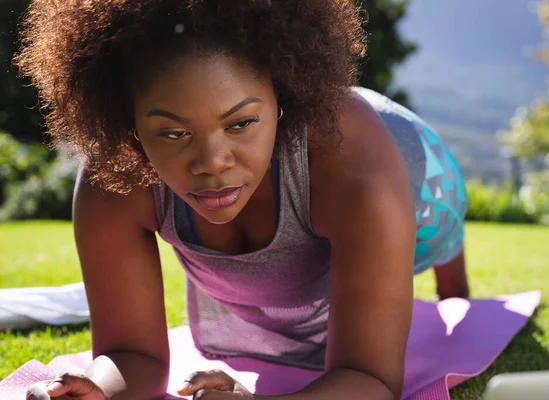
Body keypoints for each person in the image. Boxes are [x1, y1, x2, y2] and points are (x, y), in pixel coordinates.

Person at [16, 1, 470, 399]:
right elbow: (130, 355)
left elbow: (370, 377)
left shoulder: (349, 156)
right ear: (128, 124)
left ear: (283, 99)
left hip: (419, 173)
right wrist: (97, 389)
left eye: (240, 124)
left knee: (453, 290)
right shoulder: (114, 176)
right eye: (174, 133)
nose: (212, 162)